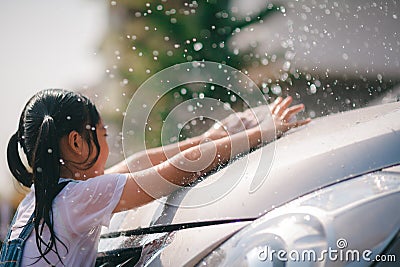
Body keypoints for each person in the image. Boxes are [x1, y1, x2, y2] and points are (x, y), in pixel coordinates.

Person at [0, 89, 310, 266]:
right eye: (104, 135)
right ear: (77, 143)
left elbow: (135, 164)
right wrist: (262, 134)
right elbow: (174, 170)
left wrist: (213, 135)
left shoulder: (40, 201)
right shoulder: (77, 199)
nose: (110, 146)